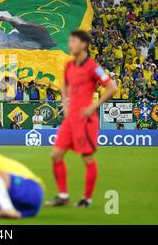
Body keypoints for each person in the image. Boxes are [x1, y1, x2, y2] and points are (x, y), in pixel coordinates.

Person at [46, 30, 117, 208]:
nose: (70, 44)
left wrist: (94, 106)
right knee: (56, 154)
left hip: (85, 120)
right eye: (69, 41)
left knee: (87, 159)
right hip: (70, 120)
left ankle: (86, 199)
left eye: (73, 41)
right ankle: (63, 196)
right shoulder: (69, 65)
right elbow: (65, 84)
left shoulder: (94, 67)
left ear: (83, 45)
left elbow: (111, 87)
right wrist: (66, 102)